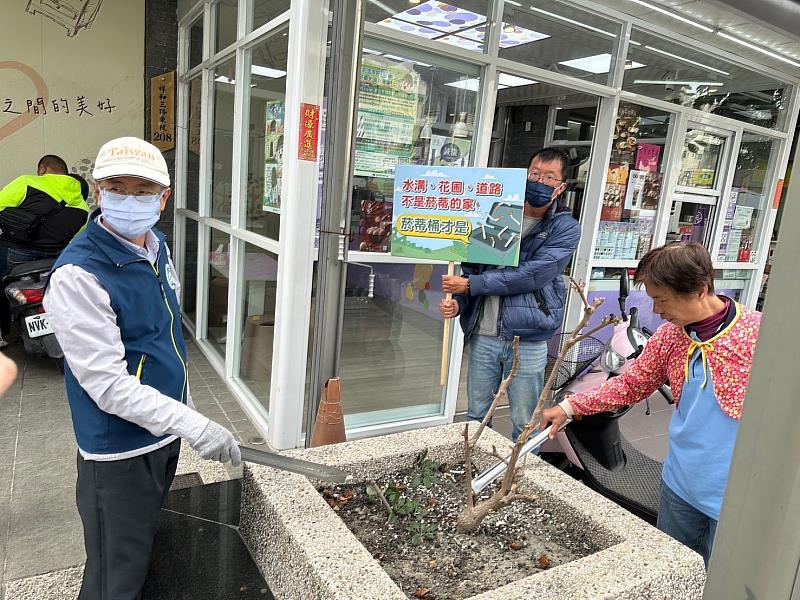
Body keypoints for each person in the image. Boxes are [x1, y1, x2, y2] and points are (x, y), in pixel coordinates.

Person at [43, 137, 241, 600]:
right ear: (97, 191)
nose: (130, 199)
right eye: (117, 187)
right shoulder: (80, 274)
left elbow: (162, 337)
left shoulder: (155, 249)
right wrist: (194, 424)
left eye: (144, 189)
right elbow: (108, 386)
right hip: (119, 451)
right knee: (115, 576)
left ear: (164, 197)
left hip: (158, 434)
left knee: (142, 550)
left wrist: (185, 406)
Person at [540, 242, 761, 567]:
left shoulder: (759, 335)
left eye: (661, 299)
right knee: (673, 570)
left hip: (736, 496)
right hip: (680, 483)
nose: (656, 311)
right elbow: (631, 384)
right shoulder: (671, 337)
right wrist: (570, 408)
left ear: (699, 290)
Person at [439, 148, 580, 441]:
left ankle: (518, 480)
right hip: (483, 336)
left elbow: (534, 274)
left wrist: (471, 286)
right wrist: (460, 302)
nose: (540, 182)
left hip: (528, 338)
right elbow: (472, 269)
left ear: (561, 186)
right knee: (477, 414)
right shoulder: (496, 214)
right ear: (524, 175)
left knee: (525, 421)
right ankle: (472, 470)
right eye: (535, 174)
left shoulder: (564, 227)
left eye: (550, 177)